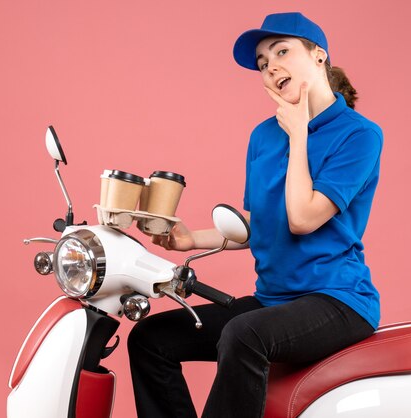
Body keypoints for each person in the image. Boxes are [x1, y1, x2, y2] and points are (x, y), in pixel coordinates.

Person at [127, 12, 383, 418]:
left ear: (319, 57)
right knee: (150, 337)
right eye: (263, 63)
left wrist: (299, 133)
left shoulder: (360, 134)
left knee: (243, 334)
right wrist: (189, 239)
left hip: (338, 301)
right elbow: (259, 227)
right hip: (273, 301)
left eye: (282, 51)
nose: (271, 67)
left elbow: (302, 219)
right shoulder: (263, 136)